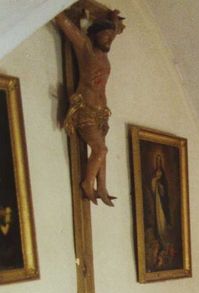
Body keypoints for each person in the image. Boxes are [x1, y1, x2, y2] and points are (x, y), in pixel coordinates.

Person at [53, 1, 126, 206]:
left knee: (103, 151)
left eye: (111, 37)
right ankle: (87, 184)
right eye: (105, 36)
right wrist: (52, 9)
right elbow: (66, 24)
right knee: (100, 150)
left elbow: (114, 31)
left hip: (101, 112)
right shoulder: (85, 47)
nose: (110, 40)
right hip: (85, 109)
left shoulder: (104, 53)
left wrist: (113, 22)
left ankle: (101, 186)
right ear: (94, 35)